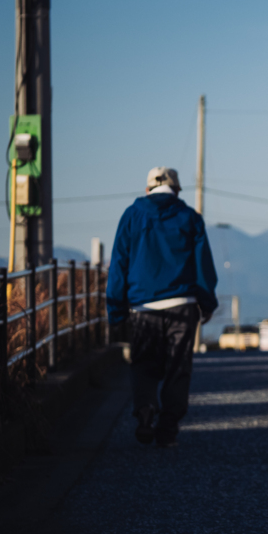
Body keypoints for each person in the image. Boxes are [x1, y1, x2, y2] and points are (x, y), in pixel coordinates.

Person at [107, 167, 218, 446]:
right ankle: (168, 426)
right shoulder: (190, 217)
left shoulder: (131, 216)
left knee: (144, 364)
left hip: (142, 307)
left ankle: (145, 410)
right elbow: (203, 265)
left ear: (147, 190)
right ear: (177, 190)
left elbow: (119, 264)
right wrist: (207, 303)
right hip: (182, 305)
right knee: (177, 366)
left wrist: (116, 311)